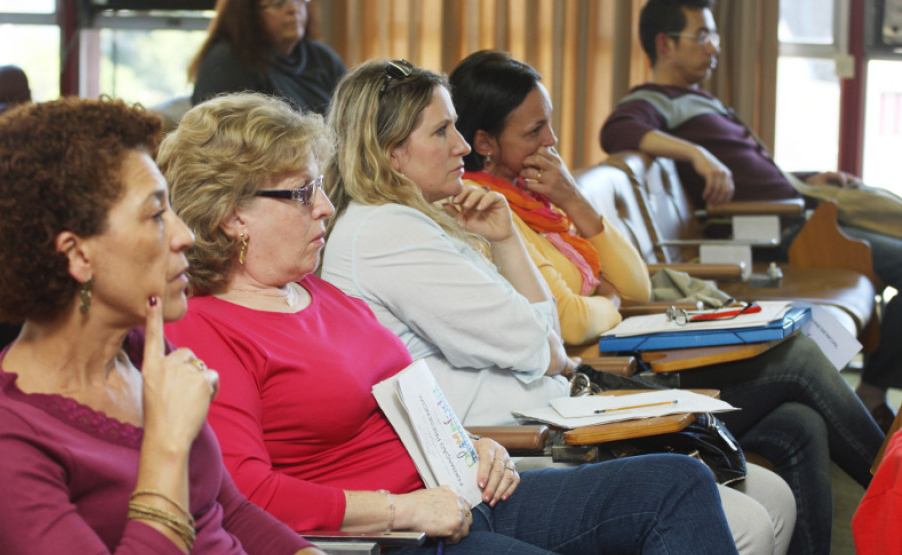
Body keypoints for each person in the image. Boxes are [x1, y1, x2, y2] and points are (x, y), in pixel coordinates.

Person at [159, 90, 739, 554]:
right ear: (234, 214)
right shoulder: (204, 326)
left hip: (456, 490)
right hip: (392, 534)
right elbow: (246, 495)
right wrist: (402, 509)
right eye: (301, 192)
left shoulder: (312, 291)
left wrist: (473, 445)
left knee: (676, 483)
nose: (325, 206)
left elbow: (407, 398)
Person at [317, 58, 793, 554]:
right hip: (511, 444)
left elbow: (545, 340)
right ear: (391, 154)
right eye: (442, 131)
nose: (461, 145)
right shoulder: (388, 232)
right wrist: (548, 347)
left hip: (546, 419)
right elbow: (540, 345)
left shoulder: (426, 217)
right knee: (745, 518)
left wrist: (507, 242)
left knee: (771, 496)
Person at [451, 48, 886, 555]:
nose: (551, 140)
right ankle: (891, 481)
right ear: (483, 143)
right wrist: (608, 301)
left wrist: (576, 201)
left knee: (800, 425)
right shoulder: (490, 216)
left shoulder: (547, 204)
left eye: (549, 125)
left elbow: (634, 285)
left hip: (621, 359)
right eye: (534, 131)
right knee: (797, 363)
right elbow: (568, 320)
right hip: (602, 381)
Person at [0, 97, 320, 554]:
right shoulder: (4, 437)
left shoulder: (146, 350)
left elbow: (231, 514)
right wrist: (166, 444)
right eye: (156, 214)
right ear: (79, 255)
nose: (185, 235)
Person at [599, 0, 902, 432]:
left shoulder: (696, 98)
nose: (713, 47)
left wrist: (804, 178)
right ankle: (873, 394)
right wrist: (697, 153)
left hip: (801, 212)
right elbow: (616, 130)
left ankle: (872, 392)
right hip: (779, 232)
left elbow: (751, 173)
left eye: (715, 35)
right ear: (665, 44)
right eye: (702, 36)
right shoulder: (654, 101)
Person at [188, 0, 346, 114]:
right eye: (278, 3)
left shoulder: (322, 57)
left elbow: (352, 114)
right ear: (248, 14)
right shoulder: (226, 62)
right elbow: (223, 141)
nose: (293, 8)